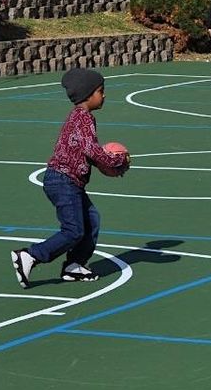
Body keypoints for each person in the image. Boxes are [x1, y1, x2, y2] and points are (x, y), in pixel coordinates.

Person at [11, 68, 129, 287]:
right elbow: (92, 150)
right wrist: (115, 162)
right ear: (88, 94)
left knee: (92, 220)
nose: (104, 96)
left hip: (68, 180)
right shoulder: (83, 118)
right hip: (62, 180)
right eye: (101, 91)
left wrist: (105, 163)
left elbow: (84, 151)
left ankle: (74, 265)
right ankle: (30, 255)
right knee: (74, 230)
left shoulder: (80, 118)